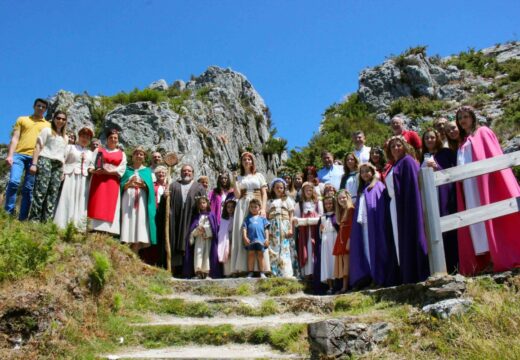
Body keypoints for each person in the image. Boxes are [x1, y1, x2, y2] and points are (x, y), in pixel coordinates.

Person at [455, 106, 520, 275]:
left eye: (466, 116)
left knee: (492, 218)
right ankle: (489, 259)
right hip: (470, 187)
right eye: (460, 117)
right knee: (477, 223)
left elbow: (493, 154)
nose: (463, 120)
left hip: (484, 182)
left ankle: (499, 255)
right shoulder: (463, 141)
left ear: (473, 117)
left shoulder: (483, 132)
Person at [385, 135, 429, 284]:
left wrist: (409, 207)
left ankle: (416, 272)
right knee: (400, 240)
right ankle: (407, 273)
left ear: (404, 146)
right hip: (395, 206)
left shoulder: (408, 161)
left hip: (407, 205)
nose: (396, 148)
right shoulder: (394, 165)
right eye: (393, 146)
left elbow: (412, 188)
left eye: (399, 145)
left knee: (411, 235)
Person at [349, 163, 399, 289]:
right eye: (362, 172)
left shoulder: (378, 186)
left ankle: (379, 276)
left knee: (377, 249)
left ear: (372, 171)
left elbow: (380, 206)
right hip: (365, 225)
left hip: (375, 224)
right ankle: (371, 276)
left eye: (367, 171)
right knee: (367, 251)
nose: (365, 174)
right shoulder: (363, 188)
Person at [4, 98, 51, 220]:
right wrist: (10, 155)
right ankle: (8, 213)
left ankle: (22, 218)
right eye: (38, 106)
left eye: (43, 107)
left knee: (28, 189)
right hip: (19, 154)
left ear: (46, 110)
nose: (40, 108)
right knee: (13, 182)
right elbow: (15, 138)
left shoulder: (48, 125)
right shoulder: (22, 119)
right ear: (34, 106)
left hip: (34, 158)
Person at [421, 129, 458, 272]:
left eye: (432, 137)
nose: (429, 140)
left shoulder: (446, 153)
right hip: (430, 199)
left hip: (445, 195)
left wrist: (437, 167)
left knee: (449, 230)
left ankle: (454, 265)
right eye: (426, 138)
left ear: (437, 138)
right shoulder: (424, 157)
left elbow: (451, 172)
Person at [230, 152, 270, 275]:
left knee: (259, 233)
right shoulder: (239, 177)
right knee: (243, 233)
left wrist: (263, 208)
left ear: (252, 162)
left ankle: (262, 269)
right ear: (241, 163)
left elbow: (264, 193)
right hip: (242, 206)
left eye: (249, 159)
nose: (247, 161)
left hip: (256, 205)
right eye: (244, 160)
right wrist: (234, 179)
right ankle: (244, 267)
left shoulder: (259, 176)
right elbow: (237, 195)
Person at [28, 111, 69, 222]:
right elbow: (37, 147)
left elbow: (64, 155)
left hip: (58, 165)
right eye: (58, 118)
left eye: (63, 119)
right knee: (41, 190)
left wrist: (63, 171)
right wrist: (34, 164)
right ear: (54, 118)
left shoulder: (65, 137)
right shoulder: (47, 130)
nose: (60, 121)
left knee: (53, 192)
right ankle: (34, 219)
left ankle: (47, 221)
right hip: (45, 160)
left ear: (65, 121)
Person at [168, 164, 207, 277]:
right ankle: (175, 270)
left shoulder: (199, 187)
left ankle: (191, 271)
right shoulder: (174, 186)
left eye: (189, 171)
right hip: (176, 220)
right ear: (181, 173)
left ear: (193, 173)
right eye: (184, 171)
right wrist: (165, 197)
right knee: (175, 243)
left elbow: (205, 205)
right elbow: (166, 204)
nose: (186, 173)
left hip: (192, 220)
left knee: (191, 244)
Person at [87, 129, 127, 234]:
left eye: (115, 138)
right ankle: (92, 227)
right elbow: (92, 163)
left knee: (109, 204)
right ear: (107, 139)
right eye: (111, 137)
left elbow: (121, 169)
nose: (113, 140)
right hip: (98, 180)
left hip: (112, 181)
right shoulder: (99, 151)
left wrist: (108, 172)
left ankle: (107, 230)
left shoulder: (122, 154)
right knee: (96, 201)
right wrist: (94, 170)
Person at [54, 127, 94, 229]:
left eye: (87, 137)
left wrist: (91, 169)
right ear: (79, 137)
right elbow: (62, 159)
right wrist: (61, 172)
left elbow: (91, 165)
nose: (85, 139)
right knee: (67, 197)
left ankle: (78, 226)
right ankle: (62, 224)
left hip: (83, 179)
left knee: (81, 200)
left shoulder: (90, 153)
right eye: (83, 136)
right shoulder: (70, 147)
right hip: (70, 176)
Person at [120, 146, 157, 253]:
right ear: (133, 156)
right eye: (137, 154)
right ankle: (125, 247)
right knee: (127, 220)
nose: (139, 156)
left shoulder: (147, 171)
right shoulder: (126, 170)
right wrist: (128, 184)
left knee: (139, 222)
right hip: (127, 199)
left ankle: (135, 251)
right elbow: (121, 186)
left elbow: (150, 188)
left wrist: (143, 185)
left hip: (141, 200)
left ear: (144, 157)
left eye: (141, 154)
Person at [293, 182, 323, 280]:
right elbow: (296, 220)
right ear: (303, 191)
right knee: (305, 249)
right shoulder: (299, 205)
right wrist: (302, 221)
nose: (308, 192)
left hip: (315, 231)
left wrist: (313, 219)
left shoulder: (317, 203)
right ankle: (306, 273)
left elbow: (321, 216)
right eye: (306, 190)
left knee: (313, 248)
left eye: (310, 190)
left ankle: (315, 272)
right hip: (304, 232)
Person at [267, 178, 295, 278]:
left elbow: (291, 215)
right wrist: (267, 230)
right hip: (273, 226)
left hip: (284, 224)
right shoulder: (270, 201)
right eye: (277, 187)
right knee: (273, 248)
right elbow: (267, 216)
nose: (279, 189)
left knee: (285, 248)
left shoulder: (287, 200)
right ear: (273, 188)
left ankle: (285, 272)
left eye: (281, 188)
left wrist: (291, 228)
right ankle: (274, 271)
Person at [187, 196, 219, 279]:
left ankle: (206, 273)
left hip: (208, 239)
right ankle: (198, 272)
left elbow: (214, 229)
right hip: (199, 239)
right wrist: (197, 230)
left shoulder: (211, 215)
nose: (202, 205)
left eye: (204, 203)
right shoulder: (196, 216)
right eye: (200, 203)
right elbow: (192, 230)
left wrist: (205, 230)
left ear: (207, 203)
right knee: (198, 254)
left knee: (206, 255)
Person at [333, 190, 355, 293]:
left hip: (347, 238)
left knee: (347, 262)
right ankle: (344, 286)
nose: (342, 200)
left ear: (347, 197)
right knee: (342, 262)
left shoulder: (351, 209)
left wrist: (349, 240)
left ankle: (345, 287)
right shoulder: (342, 211)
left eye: (343, 197)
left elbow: (352, 226)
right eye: (339, 198)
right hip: (341, 238)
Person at [242, 198, 270, 278]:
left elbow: (266, 229)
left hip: (261, 240)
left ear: (259, 208)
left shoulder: (263, 218)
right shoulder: (247, 218)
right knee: (250, 255)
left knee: (260, 255)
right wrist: (245, 237)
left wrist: (267, 239)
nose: (253, 209)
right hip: (251, 240)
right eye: (251, 207)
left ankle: (262, 272)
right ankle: (250, 272)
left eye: (255, 207)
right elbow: (244, 228)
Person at [318, 196, 338, 294]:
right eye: (326, 204)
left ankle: (337, 284)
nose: (328, 205)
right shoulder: (322, 217)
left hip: (334, 239)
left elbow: (338, 227)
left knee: (335, 261)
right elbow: (319, 234)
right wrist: (320, 230)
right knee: (327, 263)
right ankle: (330, 286)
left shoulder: (336, 215)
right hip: (326, 241)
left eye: (330, 203)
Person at [217, 199, 236, 276]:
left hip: (234, 237)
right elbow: (222, 231)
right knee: (226, 254)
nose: (230, 208)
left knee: (233, 253)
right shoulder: (223, 219)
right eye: (228, 207)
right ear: (225, 208)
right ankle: (227, 273)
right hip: (226, 238)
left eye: (232, 207)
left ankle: (234, 272)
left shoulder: (236, 218)